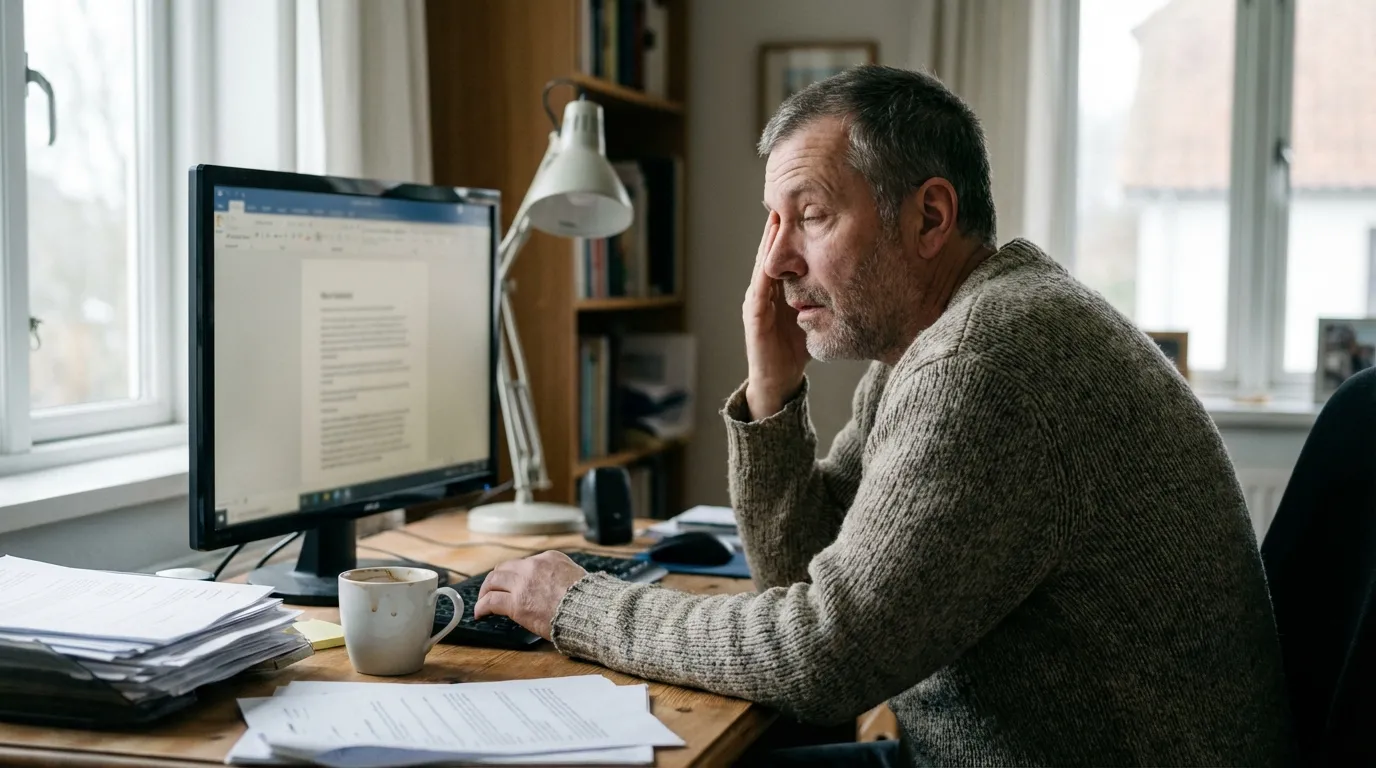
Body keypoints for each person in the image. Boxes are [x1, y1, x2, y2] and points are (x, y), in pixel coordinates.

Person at [473, 65, 1295, 766]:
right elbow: (803, 573)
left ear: (929, 217)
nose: (776, 260)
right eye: (773, 222)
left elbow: (821, 657)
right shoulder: (932, 343)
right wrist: (771, 392)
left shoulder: (983, 365)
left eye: (811, 216)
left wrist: (577, 606)